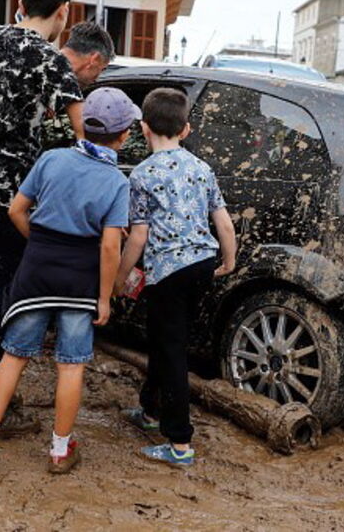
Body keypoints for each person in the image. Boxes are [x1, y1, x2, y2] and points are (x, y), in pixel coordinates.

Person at [0, 0, 110, 436]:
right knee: (5, 292)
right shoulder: (52, 63)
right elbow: (84, 131)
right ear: (63, 12)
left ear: (22, 2)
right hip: (4, 190)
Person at [0, 87, 136, 472]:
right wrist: (105, 298)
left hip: (36, 272)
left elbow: (16, 210)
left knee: (14, 354)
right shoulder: (116, 182)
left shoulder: (51, 159)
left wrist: (38, 242)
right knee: (70, 364)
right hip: (81, 281)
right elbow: (110, 247)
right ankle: (59, 450)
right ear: (124, 135)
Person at [113, 88, 237, 467]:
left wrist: (120, 277)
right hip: (202, 265)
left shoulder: (142, 175)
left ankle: (180, 444)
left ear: (144, 129)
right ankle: (150, 411)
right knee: (166, 340)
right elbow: (224, 222)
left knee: (171, 350)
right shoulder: (202, 168)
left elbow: (138, 235)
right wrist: (228, 259)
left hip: (167, 272)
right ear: (186, 130)